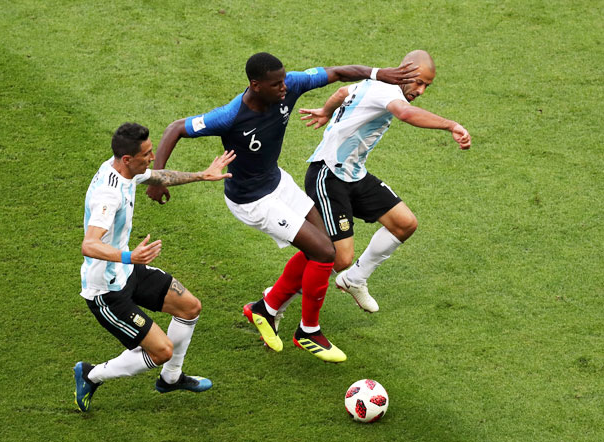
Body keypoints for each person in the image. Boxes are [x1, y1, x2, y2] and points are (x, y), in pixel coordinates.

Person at [145, 53, 418, 363]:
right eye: (276, 85)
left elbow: (339, 72)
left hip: (278, 183)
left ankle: (265, 308)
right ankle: (308, 331)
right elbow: (176, 128)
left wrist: (379, 73)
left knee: (324, 247)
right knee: (325, 254)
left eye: (284, 80)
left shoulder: (291, 85)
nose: (284, 88)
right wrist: (156, 178)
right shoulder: (230, 115)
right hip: (251, 201)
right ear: (256, 85)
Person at [73, 122, 235, 412]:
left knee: (190, 307)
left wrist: (202, 175)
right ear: (127, 159)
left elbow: (158, 175)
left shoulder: (123, 169)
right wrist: (129, 257)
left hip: (128, 269)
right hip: (107, 290)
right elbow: (89, 244)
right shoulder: (107, 196)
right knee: (161, 351)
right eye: (147, 154)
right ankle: (91, 374)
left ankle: (171, 379)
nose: (151, 157)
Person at [295, 49, 471, 313]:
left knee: (404, 224)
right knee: (339, 256)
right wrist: (451, 125)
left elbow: (343, 93)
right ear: (406, 71)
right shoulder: (387, 92)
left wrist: (325, 111)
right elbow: (405, 114)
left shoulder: (377, 83)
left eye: (427, 86)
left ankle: (355, 279)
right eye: (419, 82)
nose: (421, 91)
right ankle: (275, 299)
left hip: (354, 174)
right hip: (328, 174)